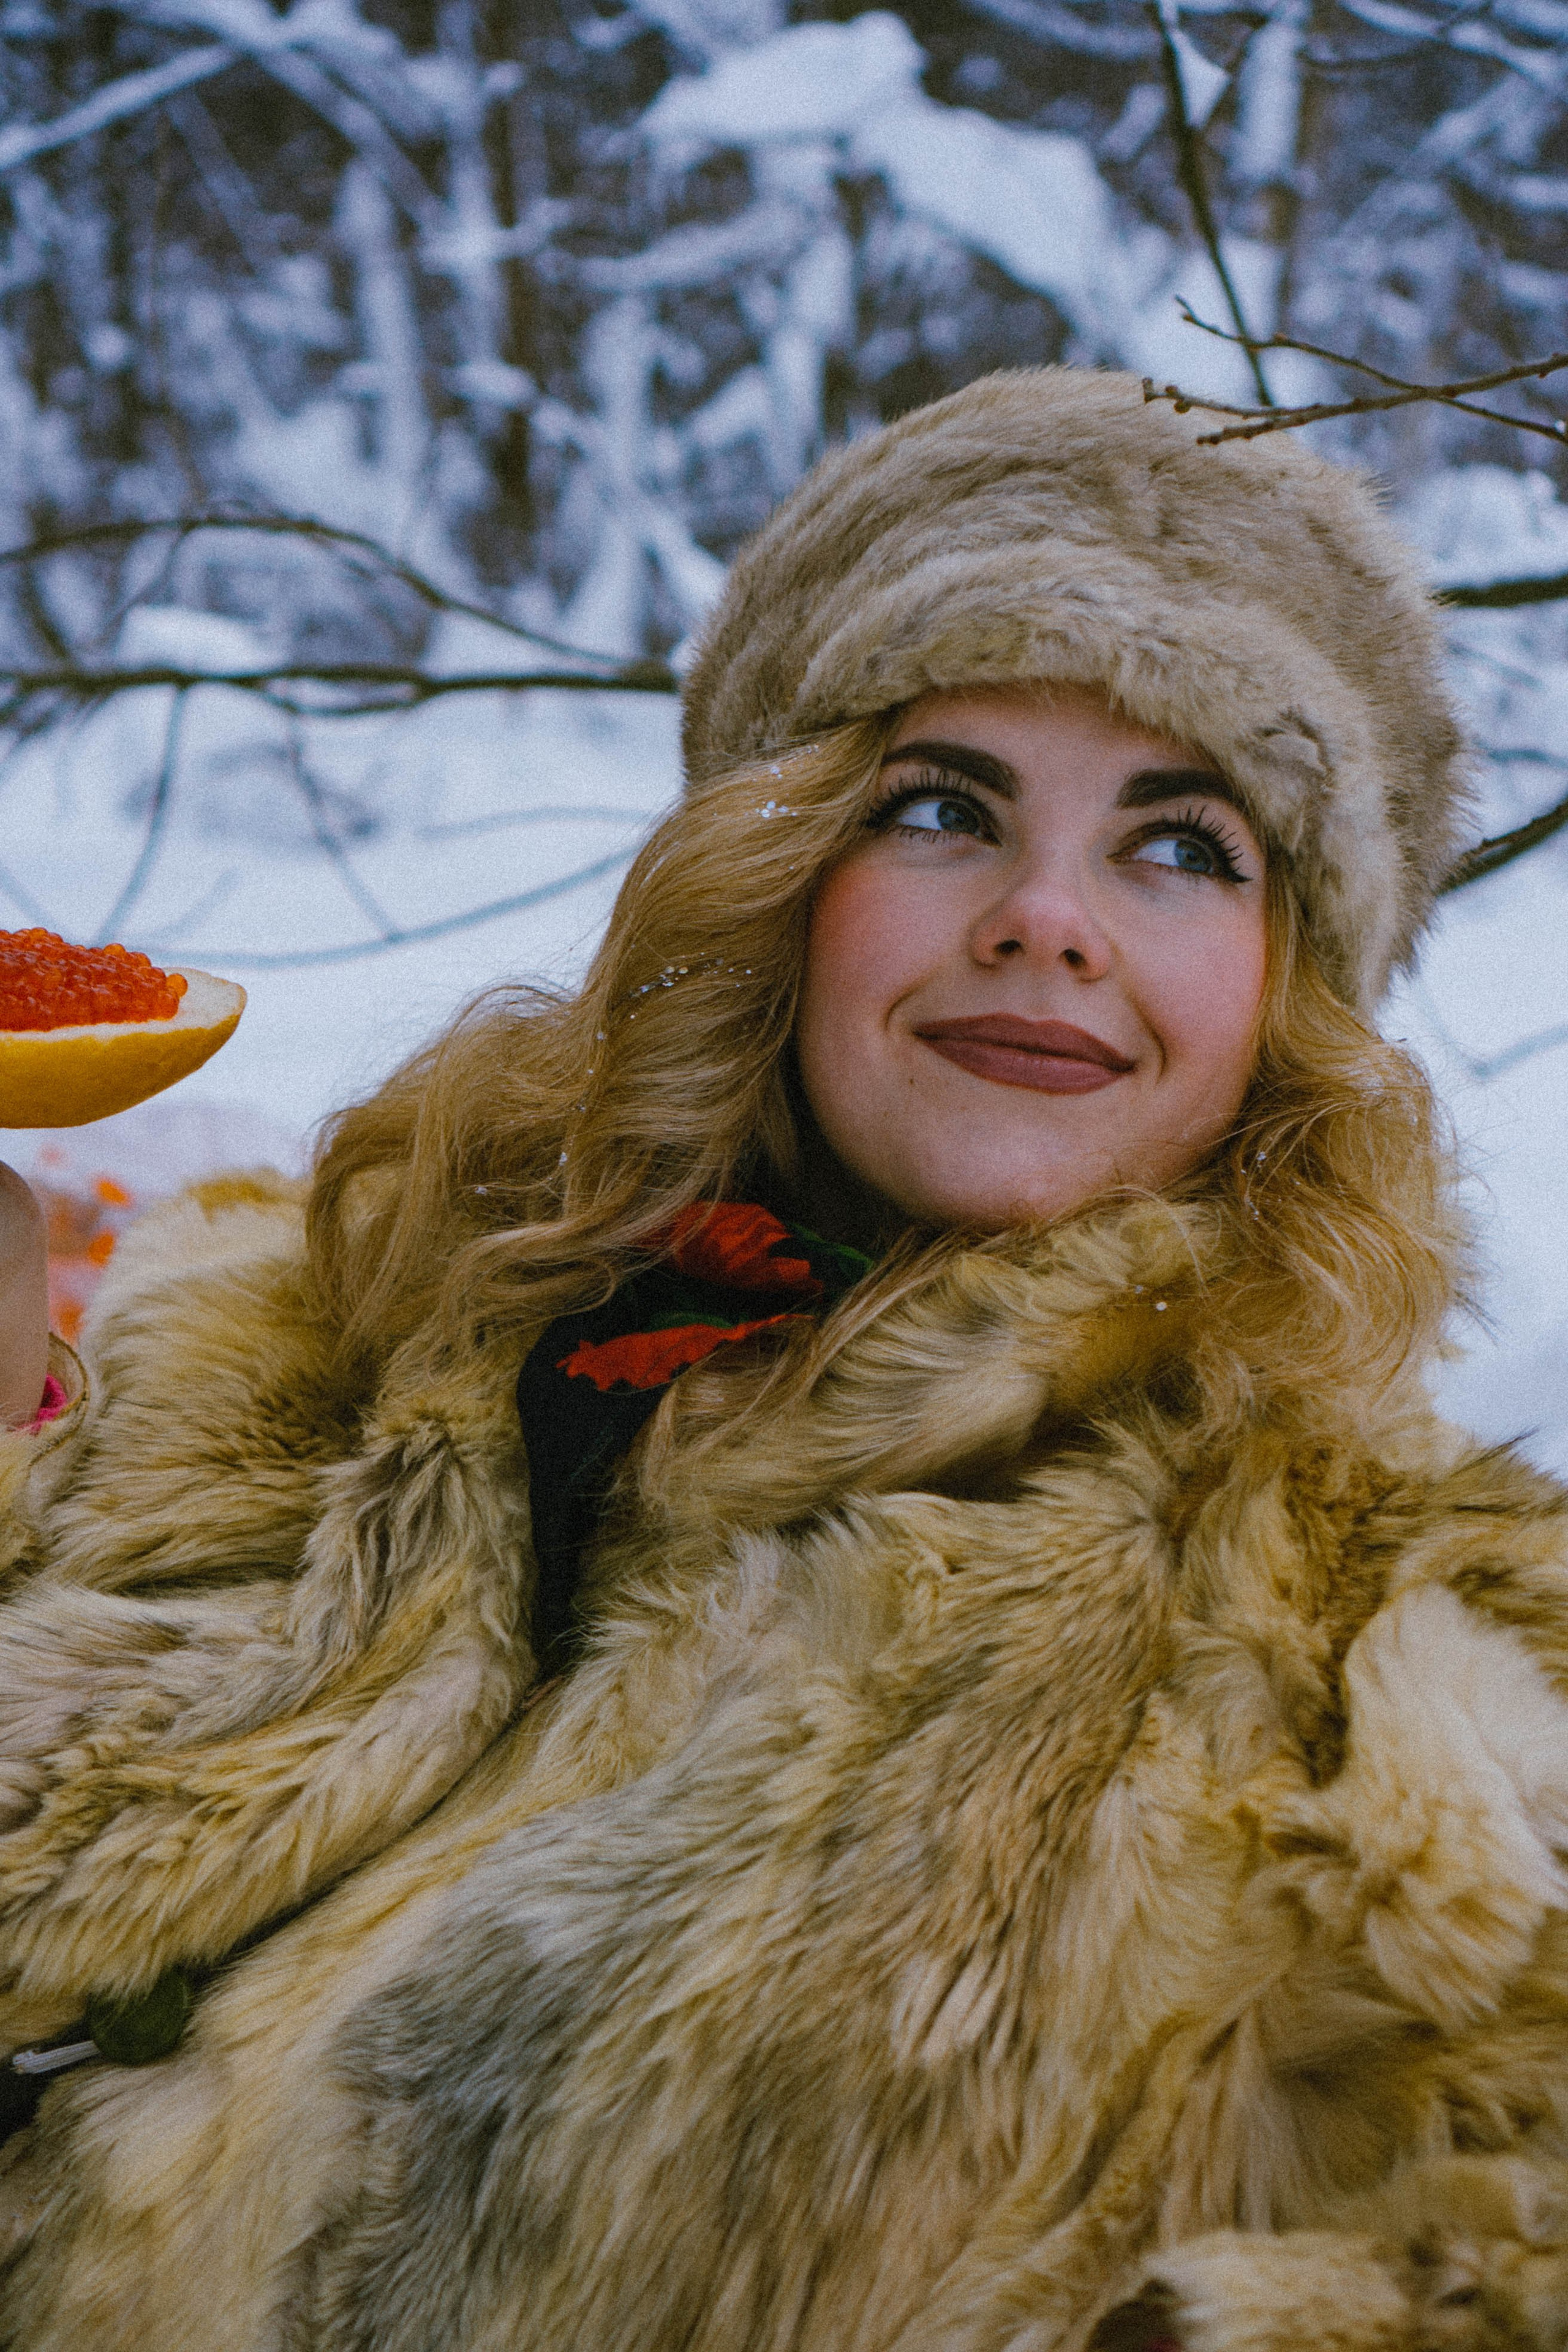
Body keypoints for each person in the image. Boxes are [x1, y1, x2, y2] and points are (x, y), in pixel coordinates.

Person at [0, 367, 1565, 2352]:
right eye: (941, 809)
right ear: (784, 878)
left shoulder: (1405, 1668)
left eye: (1182, 846)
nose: (1046, 920)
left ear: (1284, 998)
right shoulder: (288, 1359)